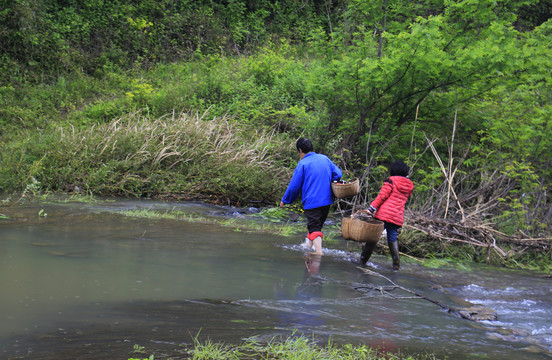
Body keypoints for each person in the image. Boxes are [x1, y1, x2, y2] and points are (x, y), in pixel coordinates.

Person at [280, 137, 342, 255]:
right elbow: (338, 173)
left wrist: (285, 200)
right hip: (327, 201)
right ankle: (309, 245)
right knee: (315, 225)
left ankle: (319, 253)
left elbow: (294, 186)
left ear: (300, 150)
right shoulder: (325, 158)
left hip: (312, 202)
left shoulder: (303, 164)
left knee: (314, 228)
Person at [358, 160, 414, 270]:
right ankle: (396, 264)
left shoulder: (391, 181)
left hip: (383, 215)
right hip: (397, 217)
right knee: (392, 239)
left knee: (373, 238)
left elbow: (382, 196)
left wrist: (372, 208)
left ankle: (362, 260)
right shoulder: (409, 185)